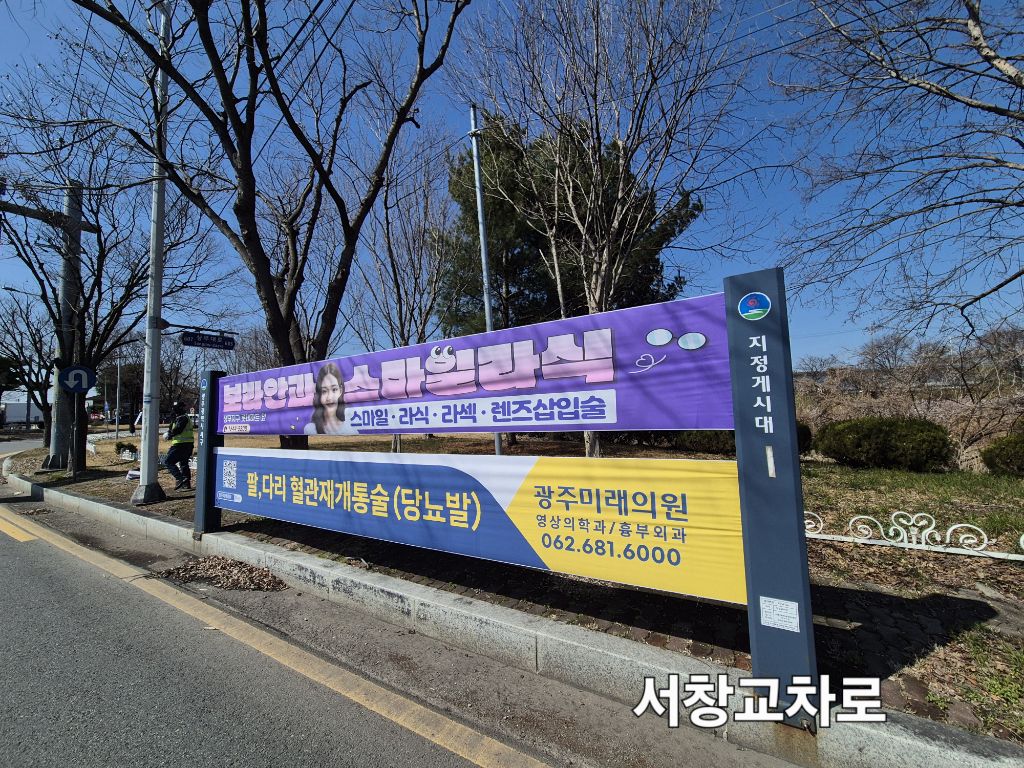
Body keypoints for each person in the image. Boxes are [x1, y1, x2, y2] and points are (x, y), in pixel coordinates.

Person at [304, 363, 357, 435]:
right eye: (324, 391)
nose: (329, 397)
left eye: (334, 389)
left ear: (340, 391)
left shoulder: (350, 431)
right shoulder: (310, 429)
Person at [163, 401, 195, 490]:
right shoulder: (181, 417)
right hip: (188, 444)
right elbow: (173, 428)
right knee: (184, 463)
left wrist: (170, 434)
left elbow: (178, 429)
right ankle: (186, 484)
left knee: (168, 462)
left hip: (180, 445)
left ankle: (180, 478)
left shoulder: (182, 418)